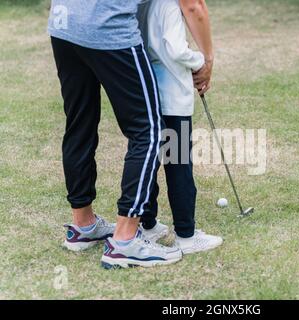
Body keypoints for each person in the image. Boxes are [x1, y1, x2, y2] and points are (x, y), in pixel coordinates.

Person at [48, 0, 182, 269]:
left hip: (63, 23)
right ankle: (124, 241)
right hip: (107, 27)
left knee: (79, 124)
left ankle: (83, 226)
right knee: (150, 130)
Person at [137, 0, 223, 254]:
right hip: (172, 98)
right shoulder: (170, 5)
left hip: (150, 93)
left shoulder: (144, 3)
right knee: (179, 166)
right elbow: (176, 49)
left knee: (150, 162)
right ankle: (186, 236)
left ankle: (148, 224)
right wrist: (201, 62)